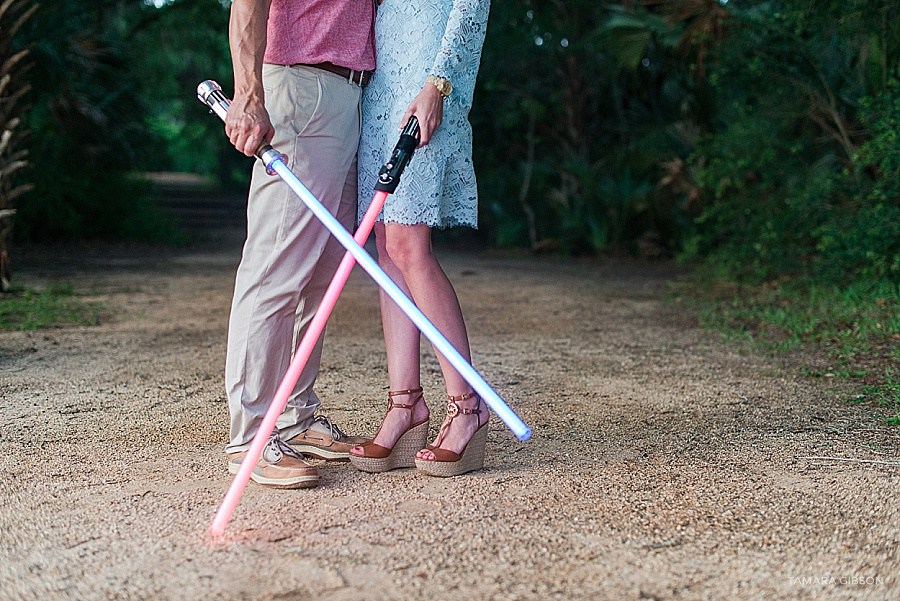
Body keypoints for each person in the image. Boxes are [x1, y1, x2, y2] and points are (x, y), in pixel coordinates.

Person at [222, 0, 375, 488]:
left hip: (349, 95)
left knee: (322, 273)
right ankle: (251, 437)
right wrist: (248, 93)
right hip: (299, 85)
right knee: (274, 271)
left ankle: (294, 417)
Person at [349, 0, 492, 477]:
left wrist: (439, 85)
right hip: (381, 94)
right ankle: (404, 404)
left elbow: (470, 9)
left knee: (410, 247)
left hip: (427, 88)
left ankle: (467, 407)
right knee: (387, 251)